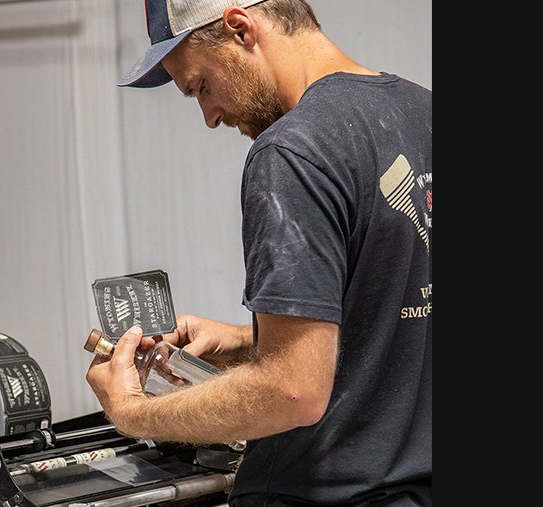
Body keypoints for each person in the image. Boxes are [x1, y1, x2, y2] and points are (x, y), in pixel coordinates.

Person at [86, 0, 432, 505]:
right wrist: (248, 342)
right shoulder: (422, 113)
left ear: (240, 29)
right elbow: (397, 325)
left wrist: (132, 410)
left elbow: (291, 391)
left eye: (200, 86)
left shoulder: (292, 151)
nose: (209, 116)